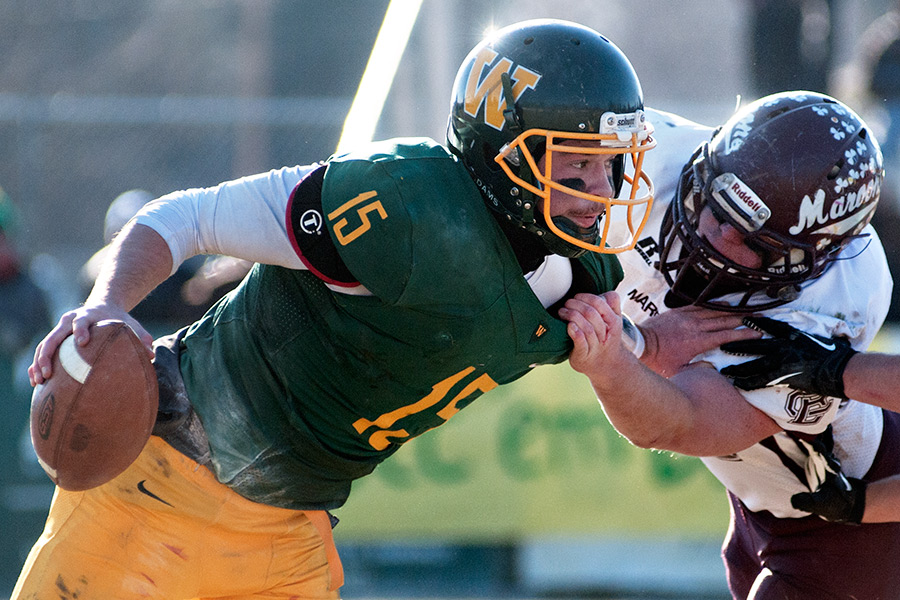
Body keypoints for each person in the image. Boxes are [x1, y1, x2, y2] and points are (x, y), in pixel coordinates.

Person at [16, 20, 745, 599]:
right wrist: (106, 305)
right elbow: (187, 219)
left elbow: (604, 343)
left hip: (290, 530)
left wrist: (645, 344)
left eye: (609, 163)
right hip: (160, 486)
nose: (601, 189)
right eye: (575, 163)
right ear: (503, 152)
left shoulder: (574, 272)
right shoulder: (403, 207)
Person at [559, 91, 900, 599]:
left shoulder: (833, 300)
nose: (716, 240)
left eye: (755, 243)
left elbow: (678, 422)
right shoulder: (649, 155)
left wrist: (625, 354)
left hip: (844, 523)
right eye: (714, 208)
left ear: (815, 260)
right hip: (762, 506)